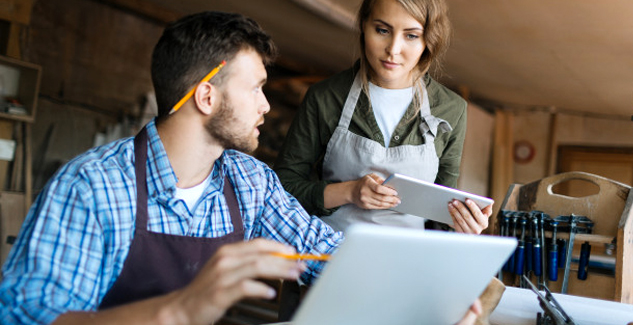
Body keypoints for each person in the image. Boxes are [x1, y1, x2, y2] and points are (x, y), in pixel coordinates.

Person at [0, 10, 483, 325]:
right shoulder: (93, 186)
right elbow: (27, 316)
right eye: (255, 89)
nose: (266, 107)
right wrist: (176, 312)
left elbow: (329, 254)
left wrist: (432, 295)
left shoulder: (248, 181)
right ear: (206, 96)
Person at [274, 0, 492, 234]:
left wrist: (461, 224)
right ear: (364, 26)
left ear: (429, 39)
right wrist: (349, 191)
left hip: (408, 261)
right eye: (382, 30)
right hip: (331, 256)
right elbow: (282, 189)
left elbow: (441, 211)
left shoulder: (450, 109)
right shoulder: (325, 97)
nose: (393, 49)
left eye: (411, 36)